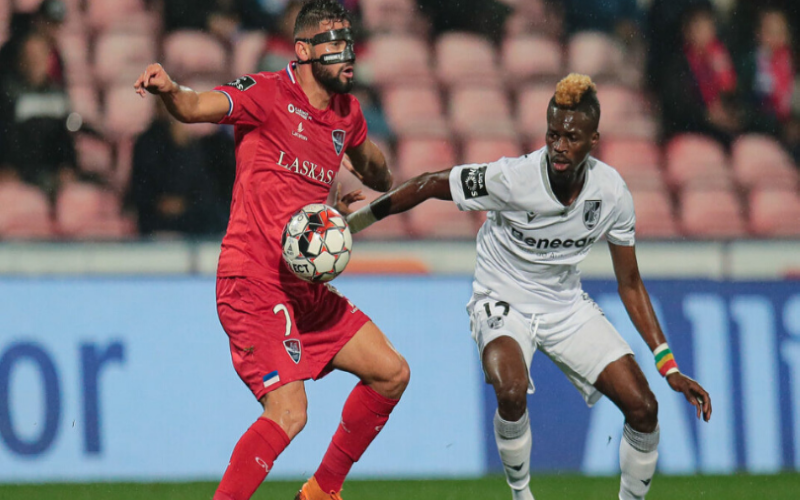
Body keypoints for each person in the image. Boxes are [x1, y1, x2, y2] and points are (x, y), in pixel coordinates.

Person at [344, 73, 713, 500]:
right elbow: (429, 183)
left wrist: (668, 366)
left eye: (571, 137)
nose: (558, 145)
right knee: (511, 389)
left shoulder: (612, 194)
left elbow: (629, 282)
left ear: (593, 140)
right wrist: (355, 224)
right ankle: (522, 495)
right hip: (501, 298)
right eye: (552, 134)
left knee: (644, 409)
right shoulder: (513, 178)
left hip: (564, 305)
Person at [133, 2, 408, 500]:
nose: (348, 53)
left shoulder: (348, 113)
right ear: (302, 51)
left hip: (304, 285)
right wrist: (171, 90)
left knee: (390, 373)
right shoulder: (265, 93)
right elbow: (196, 108)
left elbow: (378, 171)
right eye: (334, 44)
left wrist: (360, 194)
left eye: (350, 42)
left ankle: (322, 492)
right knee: (289, 411)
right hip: (253, 279)